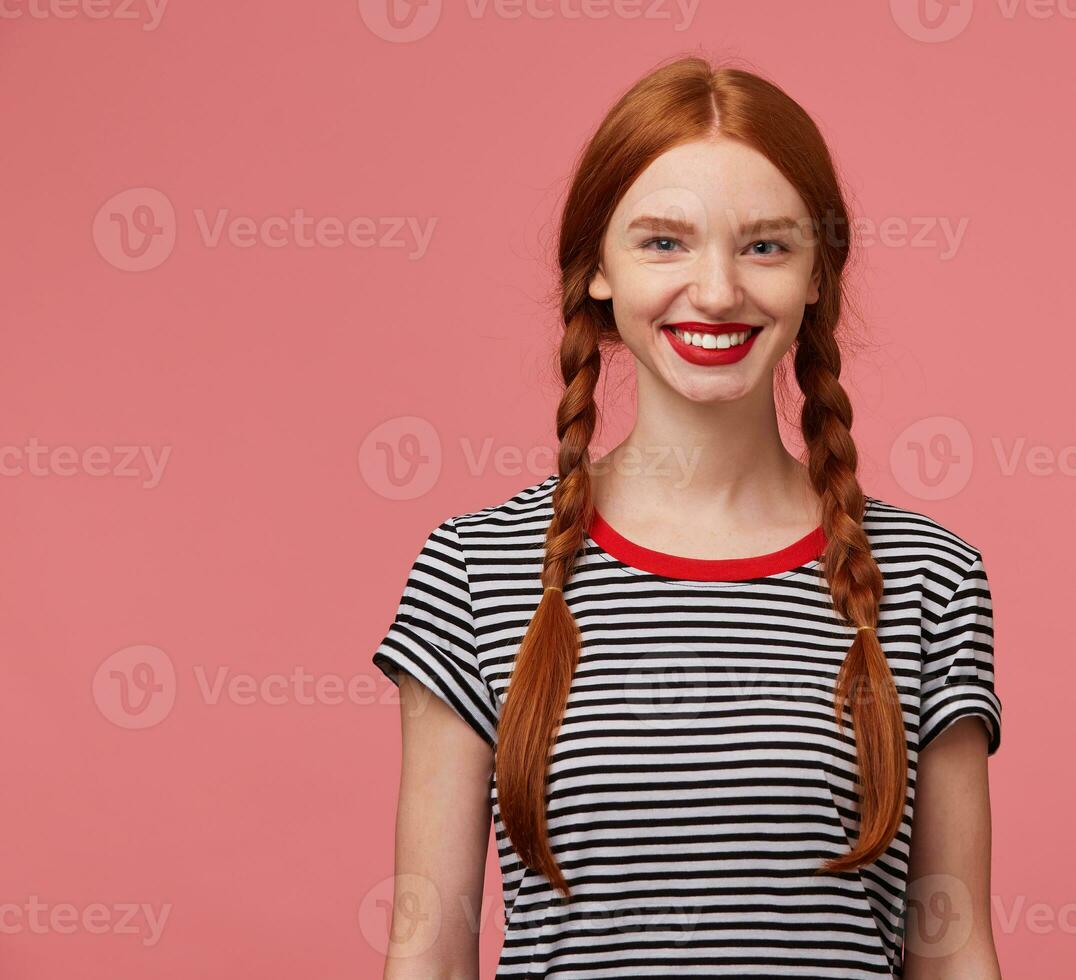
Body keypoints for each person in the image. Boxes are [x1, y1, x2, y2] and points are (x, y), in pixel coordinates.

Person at [372, 54, 1003, 980]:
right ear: (596, 270)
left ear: (817, 274)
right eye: (664, 243)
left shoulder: (928, 576)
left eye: (765, 245)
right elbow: (426, 951)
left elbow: (953, 953)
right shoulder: (475, 568)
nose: (715, 292)